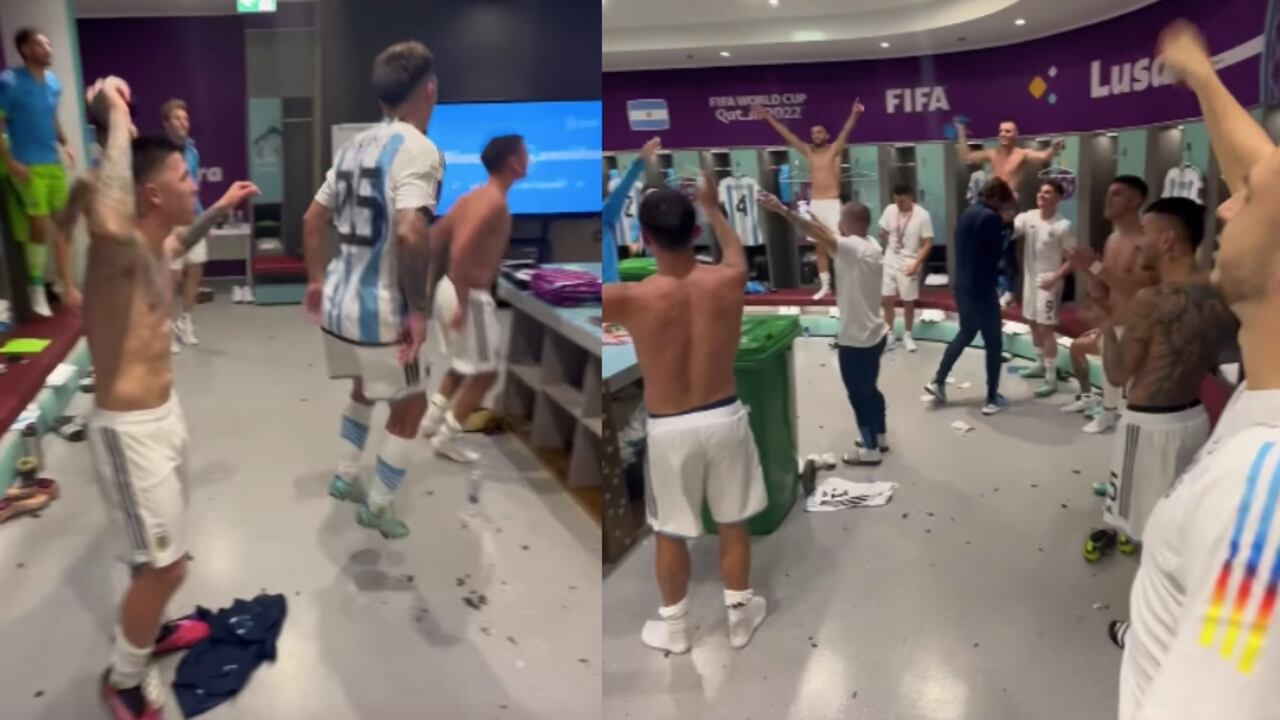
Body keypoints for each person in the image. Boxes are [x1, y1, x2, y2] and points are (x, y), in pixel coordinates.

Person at [1102, 20, 1280, 718]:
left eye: (1249, 195)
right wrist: (1203, 77)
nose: (1227, 202)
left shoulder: (1261, 500)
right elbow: (1260, 169)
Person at [78, 76, 259, 720]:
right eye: (185, 178)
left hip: (164, 418)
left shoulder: (155, 246)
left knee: (154, 557)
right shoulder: (119, 249)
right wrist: (119, 119)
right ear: (151, 193)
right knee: (168, 569)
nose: (194, 183)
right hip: (129, 432)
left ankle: (149, 631)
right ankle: (124, 679)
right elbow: (105, 215)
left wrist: (224, 205)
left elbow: (181, 239)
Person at [602, 170, 767, 655]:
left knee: (669, 531)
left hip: (670, 428)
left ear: (644, 238)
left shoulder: (627, 299)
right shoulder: (730, 281)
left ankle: (675, 631)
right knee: (732, 523)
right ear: (695, 233)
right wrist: (714, 208)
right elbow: (736, 253)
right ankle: (739, 620)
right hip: (724, 417)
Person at [302, 41, 444, 540]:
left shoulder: (351, 147)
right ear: (429, 89)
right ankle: (379, 506)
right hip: (383, 313)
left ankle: (345, 477)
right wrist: (419, 311)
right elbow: (410, 232)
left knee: (361, 388)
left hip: (339, 306)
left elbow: (312, 218)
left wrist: (317, 281)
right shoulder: (421, 150)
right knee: (412, 407)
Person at [1082, 197, 1236, 563]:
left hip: (1147, 428)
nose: (1139, 243)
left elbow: (1119, 375)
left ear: (1167, 241)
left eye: (1146, 234)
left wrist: (1104, 319)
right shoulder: (1219, 294)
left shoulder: (1150, 300)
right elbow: (1221, 361)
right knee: (1176, 522)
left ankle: (1145, 616)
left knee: (1142, 530)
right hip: (1195, 421)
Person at [420, 134, 528, 462]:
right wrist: (464, 302)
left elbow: (436, 236)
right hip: (469, 295)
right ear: (513, 161)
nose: (528, 159)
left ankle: (432, 419)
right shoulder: (493, 202)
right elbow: (462, 245)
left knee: (462, 362)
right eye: (525, 154)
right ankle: (446, 438)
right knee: (487, 373)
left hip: (448, 289)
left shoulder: (473, 197)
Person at [759, 191, 889, 463]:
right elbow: (824, 231)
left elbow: (822, 235)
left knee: (858, 395)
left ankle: (870, 450)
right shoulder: (871, 244)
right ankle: (879, 436)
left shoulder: (850, 249)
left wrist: (783, 211)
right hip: (876, 334)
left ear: (848, 223)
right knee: (871, 389)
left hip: (857, 340)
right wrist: (806, 213)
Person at [1064, 175, 1159, 434]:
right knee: (1107, 371)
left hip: (1137, 325)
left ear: (1136, 200)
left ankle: (1117, 414)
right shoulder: (1112, 240)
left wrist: (1093, 266)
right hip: (1113, 319)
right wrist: (1087, 273)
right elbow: (1104, 285)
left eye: (1116, 193)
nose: (1108, 199)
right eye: (1109, 192)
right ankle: (1105, 410)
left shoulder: (1145, 242)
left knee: (1126, 380)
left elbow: (1133, 287)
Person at [753, 98, 864, 300]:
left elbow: (845, 132)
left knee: (840, 245)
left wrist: (854, 114)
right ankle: (825, 286)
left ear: (827, 135)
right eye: (813, 133)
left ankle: (848, 283)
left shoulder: (834, 150)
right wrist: (769, 117)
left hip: (832, 203)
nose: (816, 136)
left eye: (820, 132)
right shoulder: (808, 151)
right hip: (816, 204)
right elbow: (787, 135)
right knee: (819, 246)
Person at [0, 28, 78, 317]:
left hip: (52, 164)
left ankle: (64, 284)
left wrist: (66, 142)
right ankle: (35, 287)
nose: (48, 47)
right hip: (27, 164)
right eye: (40, 44)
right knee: (39, 226)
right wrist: (10, 161)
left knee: (63, 225)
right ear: (25, 49)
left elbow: (52, 118)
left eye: (48, 42)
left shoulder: (54, 83)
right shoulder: (9, 82)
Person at [924, 178, 1015, 415]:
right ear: (997, 198)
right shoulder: (992, 218)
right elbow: (997, 254)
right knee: (994, 343)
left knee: (966, 332)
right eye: (1004, 203)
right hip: (982, 289)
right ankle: (992, 397)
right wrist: (1007, 228)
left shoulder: (967, 213)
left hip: (962, 286)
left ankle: (939, 380)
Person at [1010, 180, 1075, 398]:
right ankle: (1039, 364)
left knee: (1046, 329)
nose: (1042, 194)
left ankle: (1051, 377)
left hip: (1049, 283)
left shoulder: (1062, 226)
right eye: (1040, 190)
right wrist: (1009, 205)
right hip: (1029, 281)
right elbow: (1011, 229)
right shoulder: (1027, 217)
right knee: (1031, 322)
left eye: (1048, 192)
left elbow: (1072, 260)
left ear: (1058, 198)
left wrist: (1055, 277)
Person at [162, 99, 208, 353]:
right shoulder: (161, 153)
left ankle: (186, 322)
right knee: (172, 277)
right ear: (167, 124)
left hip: (194, 218)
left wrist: (203, 219)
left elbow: (194, 188)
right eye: (177, 119)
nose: (183, 123)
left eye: (185, 119)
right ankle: (166, 329)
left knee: (195, 269)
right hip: (172, 222)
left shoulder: (193, 151)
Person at [878, 182, 934, 353]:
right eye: (896, 201)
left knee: (908, 301)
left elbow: (927, 243)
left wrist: (916, 264)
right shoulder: (890, 210)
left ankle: (908, 335)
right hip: (890, 259)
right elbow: (883, 230)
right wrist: (883, 236)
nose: (898, 205)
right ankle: (890, 334)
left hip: (909, 261)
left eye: (901, 201)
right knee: (887, 298)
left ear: (910, 198)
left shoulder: (923, 216)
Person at [954, 117, 1064, 199]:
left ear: (1016, 134)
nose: (1003, 134)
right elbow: (967, 156)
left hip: (1009, 202)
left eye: (1007, 131)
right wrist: (961, 131)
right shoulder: (992, 154)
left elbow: (1044, 157)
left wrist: (1054, 148)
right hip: (992, 200)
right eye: (1001, 131)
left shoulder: (1022, 154)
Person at [601, 137, 659, 283]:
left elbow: (622, 190)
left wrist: (640, 161)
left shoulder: (606, 214)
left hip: (631, 241)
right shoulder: (606, 215)